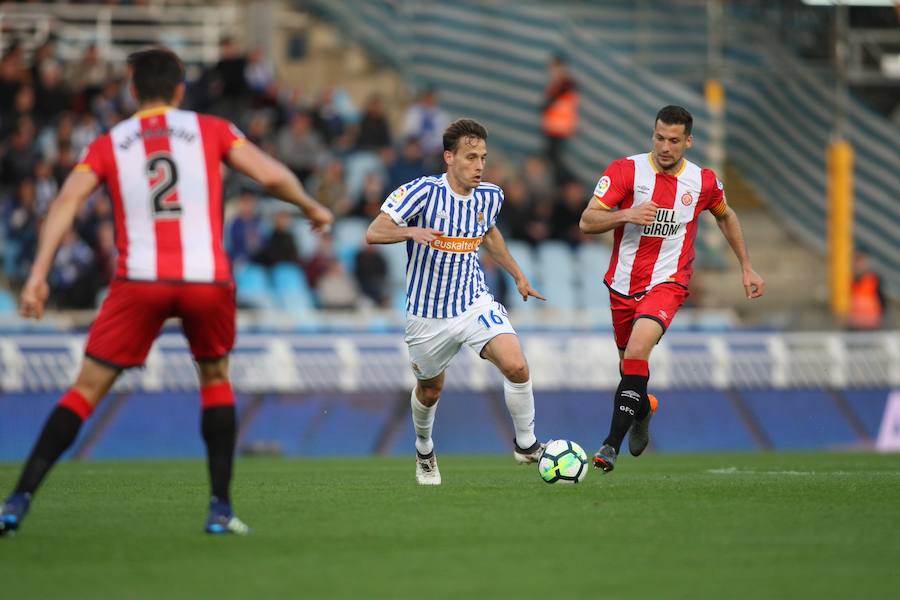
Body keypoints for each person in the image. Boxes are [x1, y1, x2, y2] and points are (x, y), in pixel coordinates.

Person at [0, 47, 333, 537]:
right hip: (206, 279)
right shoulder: (210, 129)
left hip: (141, 280)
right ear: (180, 89)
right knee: (216, 377)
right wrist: (310, 204)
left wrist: (37, 274)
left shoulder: (112, 140)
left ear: (134, 90)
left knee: (86, 389)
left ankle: (17, 501)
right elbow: (270, 173)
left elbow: (68, 201)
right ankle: (220, 509)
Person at [579, 105, 764, 472]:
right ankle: (644, 410)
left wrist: (747, 266)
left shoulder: (703, 182)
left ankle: (608, 447)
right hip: (622, 285)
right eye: (660, 137)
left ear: (688, 141)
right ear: (653, 134)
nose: (665, 146)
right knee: (630, 367)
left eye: (674, 140)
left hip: (669, 282)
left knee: (636, 351)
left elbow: (726, 214)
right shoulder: (626, 171)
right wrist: (625, 214)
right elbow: (587, 220)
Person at [366, 118, 547, 486]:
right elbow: (374, 231)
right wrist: (410, 231)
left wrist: (517, 274)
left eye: (482, 157)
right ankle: (423, 447)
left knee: (515, 364)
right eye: (470, 157)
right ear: (449, 157)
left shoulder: (490, 195)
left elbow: (489, 232)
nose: (478, 165)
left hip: (473, 303)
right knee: (430, 390)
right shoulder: (422, 191)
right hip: (426, 315)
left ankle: (526, 445)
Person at [541, 55, 578, 184]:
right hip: (553, 128)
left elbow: (550, 103)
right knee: (552, 159)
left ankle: (567, 183)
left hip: (559, 128)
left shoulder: (565, 84)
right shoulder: (558, 84)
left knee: (556, 160)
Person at [847, 253, 885, 330]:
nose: (860, 265)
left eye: (862, 262)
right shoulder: (848, 280)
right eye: (857, 262)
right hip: (854, 324)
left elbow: (881, 300)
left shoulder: (874, 279)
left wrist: (880, 318)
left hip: (871, 323)